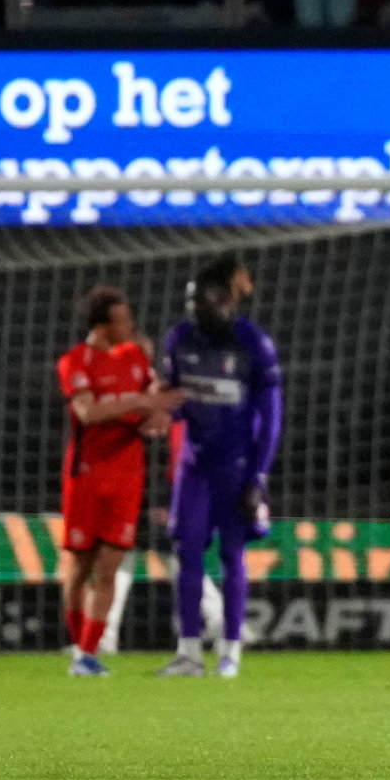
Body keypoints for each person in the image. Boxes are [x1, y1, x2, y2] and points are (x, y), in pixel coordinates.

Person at [157, 258, 283, 679]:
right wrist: (158, 413)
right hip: (194, 466)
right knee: (186, 552)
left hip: (237, 467)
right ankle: (189, 653)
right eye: (191, 301)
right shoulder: (179, 340)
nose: (196, 309)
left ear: (226, 301)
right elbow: (174, 399)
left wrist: (258, 479)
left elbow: (270, 419)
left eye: (205, 300)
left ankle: (230, 651)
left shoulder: (253, 344)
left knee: (233, 555)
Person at [55, 287, 182, 676]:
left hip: (128, 475)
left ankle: (87, 655)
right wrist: (141, 403)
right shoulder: (75, 361)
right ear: (104, 326)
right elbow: (88, 413)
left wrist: (157, 415)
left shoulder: (135, 357)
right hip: (87, 474)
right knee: (80, 568)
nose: (131, 325)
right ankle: (80, 647)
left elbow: (156, 401)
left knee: (110, 566)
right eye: (123, 319)